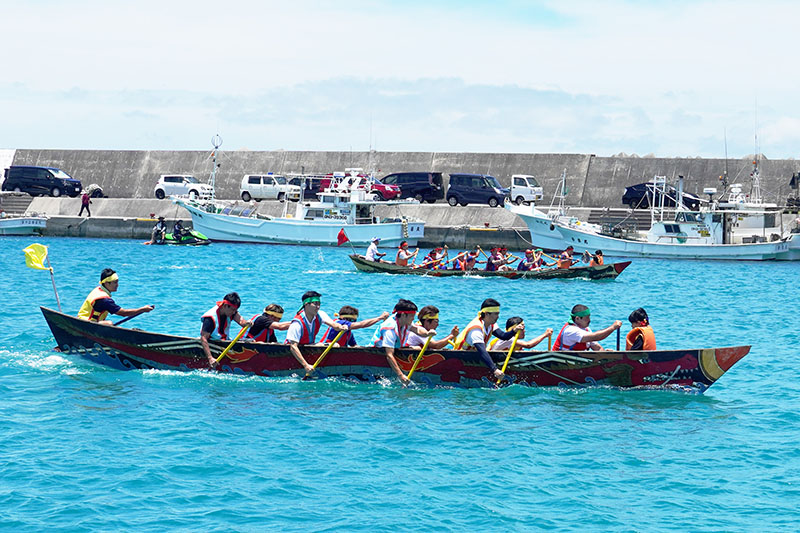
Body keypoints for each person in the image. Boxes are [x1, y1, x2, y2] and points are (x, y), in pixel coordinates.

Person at [454, 298, 524, 381]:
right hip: (461, 358)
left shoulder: (491, 324)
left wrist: (514, 331)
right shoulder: (476, 330)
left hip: (474, 357)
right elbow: (482, 351)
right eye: (496, 314)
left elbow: (503, 336)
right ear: (487, 314)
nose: (498, 316)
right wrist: (495, 370)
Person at [371, 299, 432, 386]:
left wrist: (427, 333)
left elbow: (417, 329)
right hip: (378, 352)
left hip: (395, 349)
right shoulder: (390, 328)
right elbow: (389, 355)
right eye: (412, 316)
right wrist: (401, 376)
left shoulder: (404, 320)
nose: (413, 318)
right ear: (403, 315)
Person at [285, 291, 348, 374]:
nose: (318, 307)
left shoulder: (320, 314)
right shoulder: (297, 324)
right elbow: (293, 347)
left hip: (308, 347)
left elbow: (334, 325)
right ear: (306, 304)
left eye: (319, 304)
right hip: (293, 351)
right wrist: (306, 365)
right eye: (315, 304)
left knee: (335, 345)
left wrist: (341, 327)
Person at [77, 268, 155, 324]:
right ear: (107, 283)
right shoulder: (104, 299)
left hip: (80, 321)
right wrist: (142, 309)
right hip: (89, 324)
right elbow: (123, 313)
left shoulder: (98, 289)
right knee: (109, 323)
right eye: (115, 282)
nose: (117, 285)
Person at [201, 292, 253, 366]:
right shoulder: (210, 318)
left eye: (236, 310)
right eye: (233, 310)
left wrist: (247, 323)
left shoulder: (231, 312)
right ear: (225, 306)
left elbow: (241, 322)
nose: (234, 312)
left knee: (250, 341)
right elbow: (203, 338)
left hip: (224, 342)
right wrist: (210, 358)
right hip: (212, 343)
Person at [552, 304, 622, 351]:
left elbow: (597, 348)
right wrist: (612, 327)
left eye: (589, 317)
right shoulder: (570, 330)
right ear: (577, 318)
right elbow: (596, 337)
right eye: (587, 318)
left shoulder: (586, 329)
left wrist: (607, 355)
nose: (589, 320)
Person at [321, 306, 390, 346]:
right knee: (336, 345)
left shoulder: (348, 333)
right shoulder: (340, 322)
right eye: (352, 321)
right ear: (345, 319)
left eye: (354, 321)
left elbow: (354, 346)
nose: (353, 323)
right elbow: (361, 325)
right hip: (324, 348)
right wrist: (379, 318)